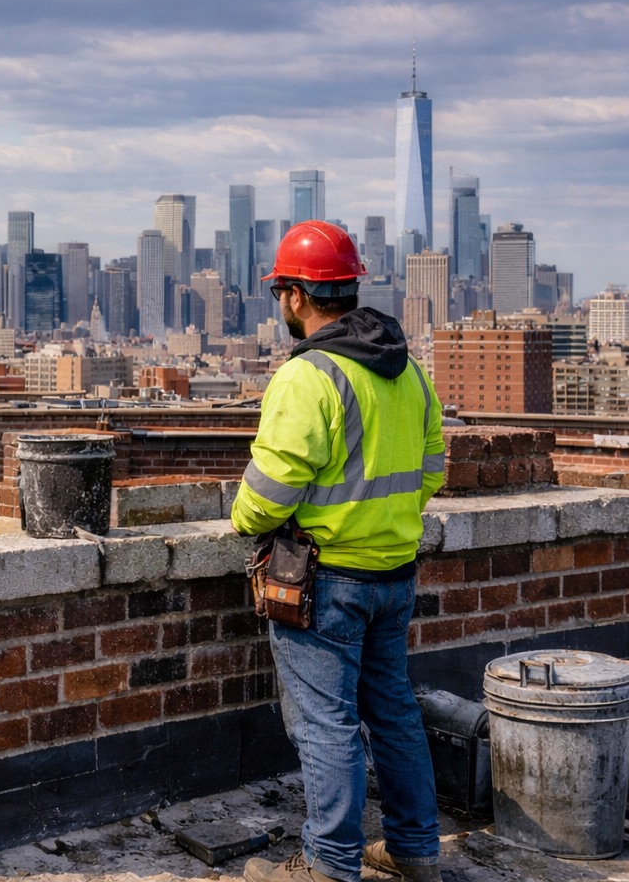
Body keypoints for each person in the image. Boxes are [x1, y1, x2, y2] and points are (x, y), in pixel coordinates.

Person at [231, 221, 444, 882]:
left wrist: (243, 516)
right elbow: (432, 469)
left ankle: (328, 867)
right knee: (395, 713)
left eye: (281, 294)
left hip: (325, 582)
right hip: (393, 572)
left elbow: (267, 496)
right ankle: (415, 850)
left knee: (326, 727)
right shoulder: (406, 370)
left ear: (295, 295)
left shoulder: (308, 377)